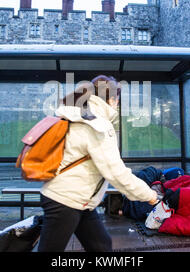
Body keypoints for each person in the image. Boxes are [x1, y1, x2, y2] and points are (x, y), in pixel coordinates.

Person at [37, 75, 159, 252]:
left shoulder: (81, 116)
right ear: (111, 99)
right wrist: (149, 195)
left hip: (80, 201)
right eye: (117, 99)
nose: (117, 104)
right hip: (65, 200)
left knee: (102, 246)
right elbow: (116, 172)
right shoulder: (97, 124)